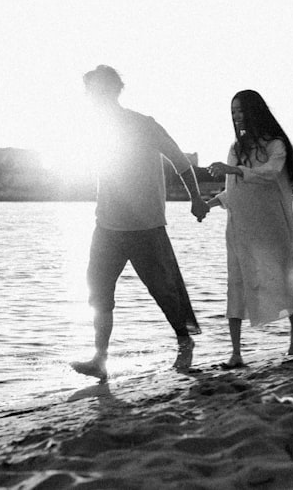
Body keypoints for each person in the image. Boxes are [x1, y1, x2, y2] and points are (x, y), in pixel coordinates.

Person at [71, 65, 210, 382]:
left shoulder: (143, 124)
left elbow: (180, 160)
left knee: (163, 289)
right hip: (106, 225)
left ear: (114, 90)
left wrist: (197, 199)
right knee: (98, 289)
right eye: (90, 91)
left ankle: (184, 340)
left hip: (145, 225)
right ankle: (99, 359)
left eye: (98, 90)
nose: (93, 97)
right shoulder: (93, 128)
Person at [207, 89, 293, 368]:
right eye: (233, 112)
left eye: (241, 111)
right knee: (236, 281)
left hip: (271, 225)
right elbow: (236, 191)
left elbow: (269, 175)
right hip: (240, 228)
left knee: (281, 276)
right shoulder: (236, 149)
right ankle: (236, 353)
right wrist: (211, 203)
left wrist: (236, 171)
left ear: (254, 112)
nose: (237, 117)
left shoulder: (276, 145)